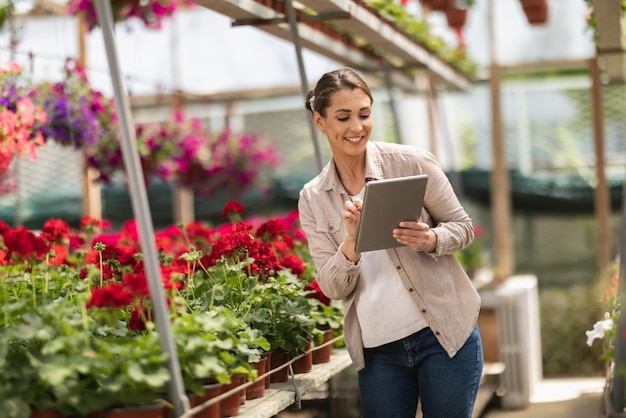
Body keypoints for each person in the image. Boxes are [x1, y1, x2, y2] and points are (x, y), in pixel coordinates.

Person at [297, 67, 483, 418]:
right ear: (320, 121)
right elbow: (332, 286)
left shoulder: (411, 162)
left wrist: (430, 239)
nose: (357, 127)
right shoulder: (314, 198)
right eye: (343, 117)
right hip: (379, 352)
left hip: (442, 335)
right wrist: (352, 243)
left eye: (364, 114)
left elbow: (462, 227)